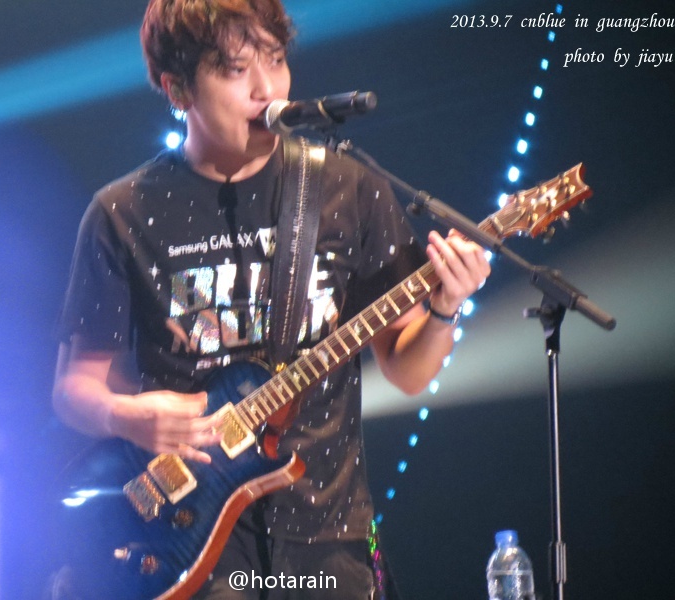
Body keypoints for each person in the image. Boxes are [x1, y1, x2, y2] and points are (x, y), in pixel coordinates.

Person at [52, 0, 491, 598]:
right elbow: (74, 389)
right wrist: (128, 417)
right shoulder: (122, 212)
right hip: (189, 537)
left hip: (326, 533)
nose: (268, 89)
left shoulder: (347, 188)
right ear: (177, 89)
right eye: (237, 70)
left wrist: (444, 310)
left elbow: (408, 372)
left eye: (277, 59)